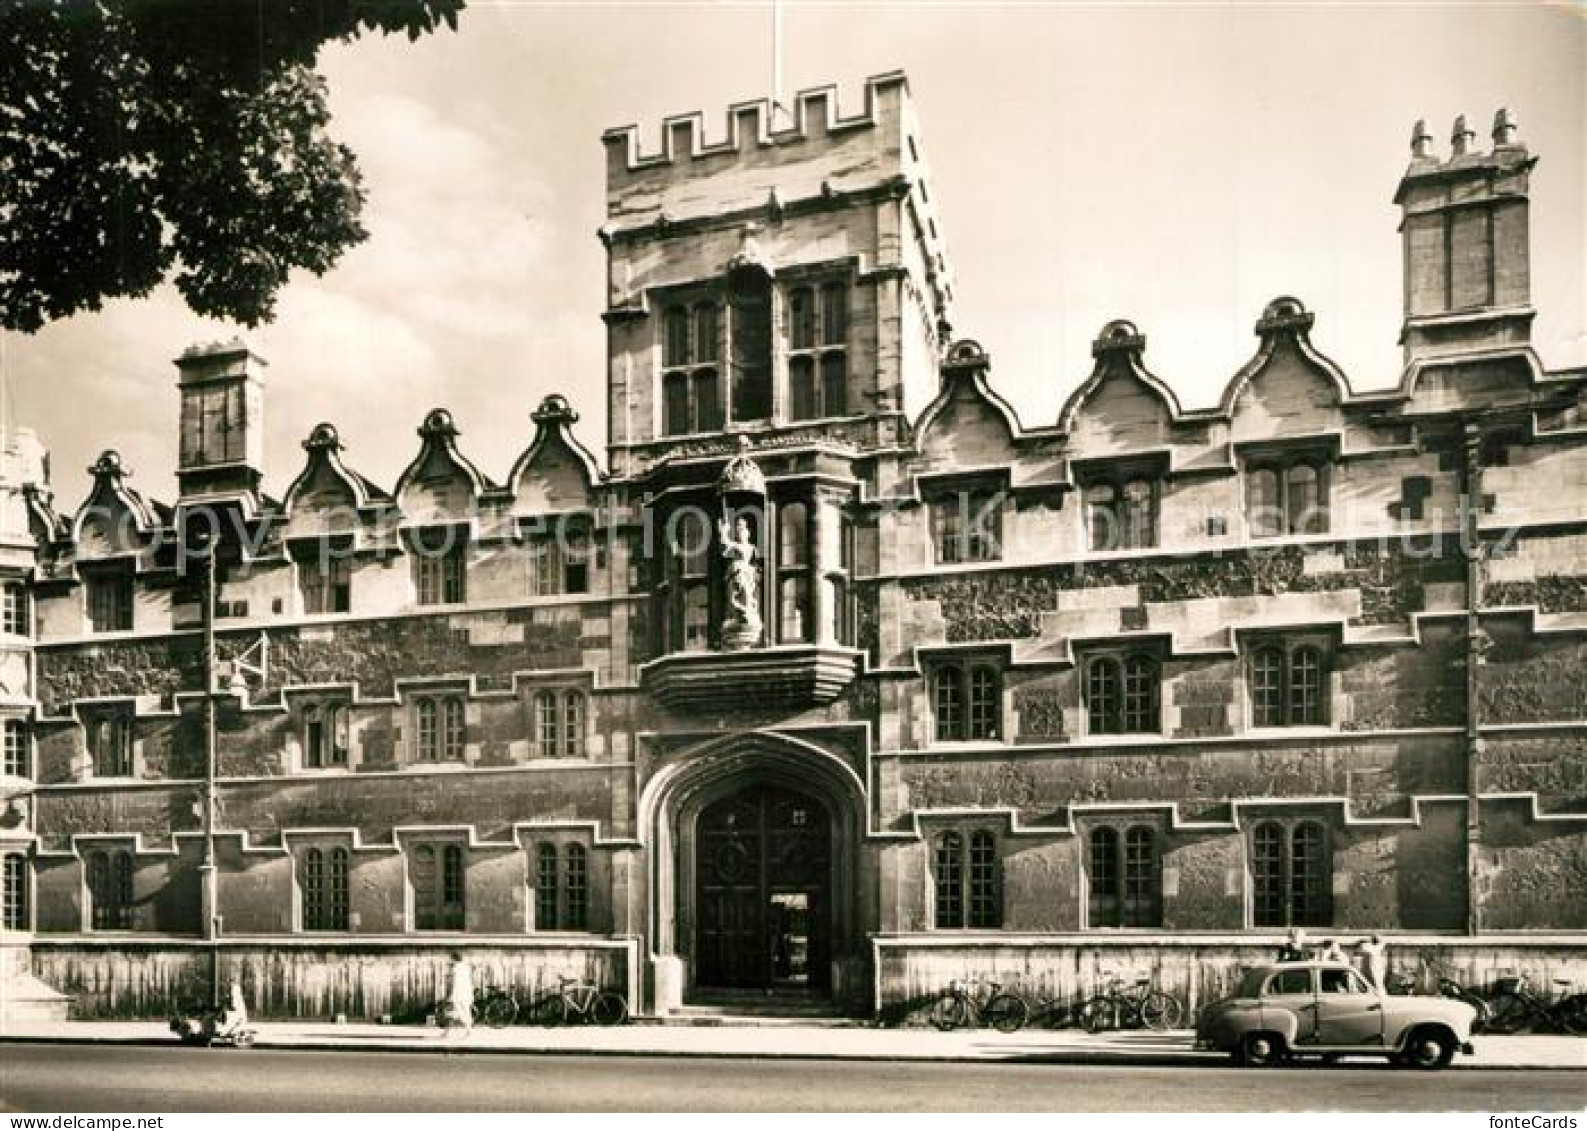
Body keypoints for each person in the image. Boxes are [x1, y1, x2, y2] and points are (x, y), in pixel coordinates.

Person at [446, 951, 475, 1034]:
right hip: (467, 991)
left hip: (458, 992)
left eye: (451, 959)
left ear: (454, 959)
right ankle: (447, 1032)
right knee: (464, 1010)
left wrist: (449, 992)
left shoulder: (455, 968)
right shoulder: (466, 967)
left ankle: (468, 1029)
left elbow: (453, 981)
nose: (450, 960)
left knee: (459, 1011)